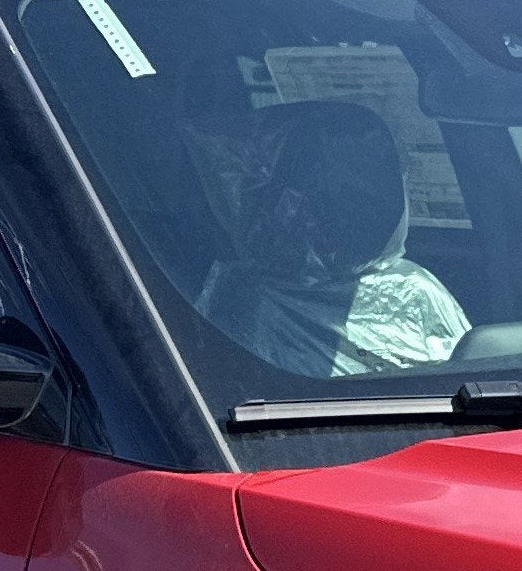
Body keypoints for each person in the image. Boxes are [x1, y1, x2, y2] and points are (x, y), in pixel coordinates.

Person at [187, 96, 467, 377]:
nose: (354, 213)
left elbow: (470, 384)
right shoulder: (252, 301)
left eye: (368, 195)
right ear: (282, 203)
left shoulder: (416, 290)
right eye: (332, 197)